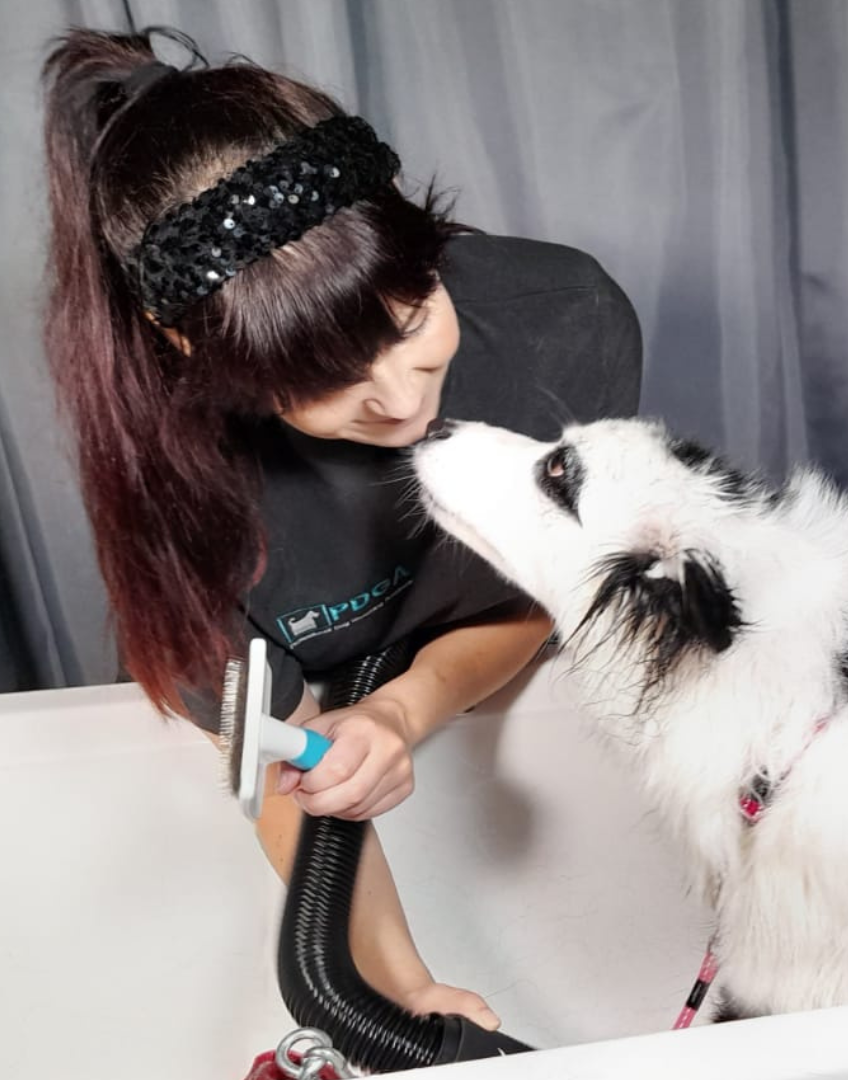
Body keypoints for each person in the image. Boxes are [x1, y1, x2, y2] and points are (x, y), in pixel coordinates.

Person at [41, 27, 641, 1030]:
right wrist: (399, 991)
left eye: (410, 323)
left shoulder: (564, 318)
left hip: (476, 682)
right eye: (323, 379)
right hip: (296, 737)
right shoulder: (179, 495)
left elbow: (552, 585)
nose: (402, 401)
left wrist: (404, 709)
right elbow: (273, 756)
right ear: (195, 350)